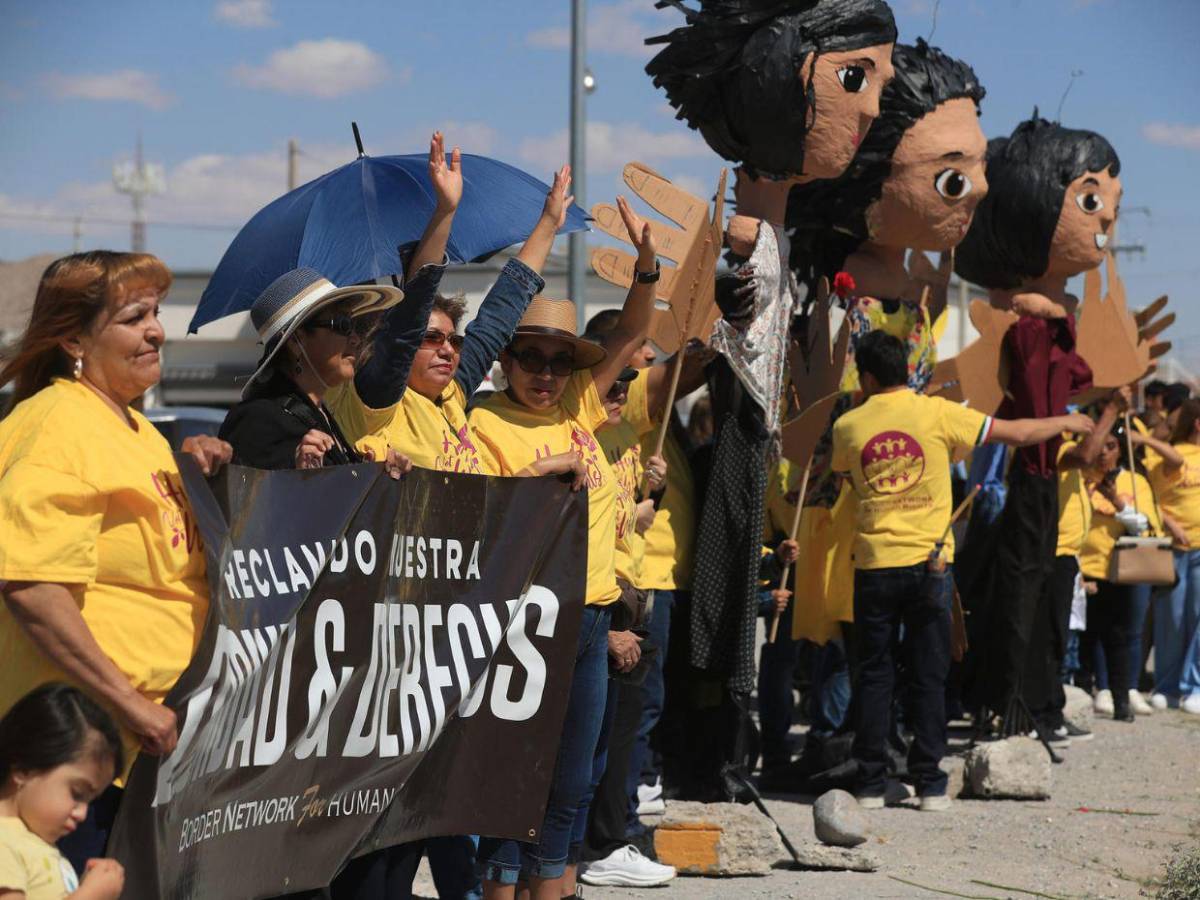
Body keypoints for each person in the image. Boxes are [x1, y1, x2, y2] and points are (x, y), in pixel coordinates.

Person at [0, 251, 231, 871]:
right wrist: (133, 708)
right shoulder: (55, 425)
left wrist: (200, 476)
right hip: (83, 755)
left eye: (156, 313)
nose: (157, 329)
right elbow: (32, 587)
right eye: (134, 317)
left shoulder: (138, 429)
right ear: (74, 337)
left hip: (151, 746)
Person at [469, 196, 657, 900]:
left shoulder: (581, 402)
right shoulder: (481, 419)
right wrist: (539, 474)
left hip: (589, 619)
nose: (544, 372)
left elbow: (635, 333)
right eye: (530, 357)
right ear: (507, 361)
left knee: (570, 788)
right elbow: (473, 514)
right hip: (522, 625)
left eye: (557, 360)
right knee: (508, 788)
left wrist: (644, 271)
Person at [831, 331, 1093, 810]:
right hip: (931, 565)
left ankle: (869, 785)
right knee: (930, 677)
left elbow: (846, 476)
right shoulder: (938, 413)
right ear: (906, 370)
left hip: (873, 565)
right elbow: (1017, 434)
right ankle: (930, 783)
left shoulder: (848, 425)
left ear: (866, 377)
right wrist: (1066, 419)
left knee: (874, 676)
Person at [954, 116, 1120, 731]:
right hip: (1024, 471)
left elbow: (1070, 382)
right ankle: (1007, 704)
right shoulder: (1026, 326)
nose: (1105, 221)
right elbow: (1034, 394)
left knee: (1037, 586)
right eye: (1090, 201)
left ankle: (1028, 699)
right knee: (1017, 585)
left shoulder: (1052, 324)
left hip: (1043, 474)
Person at [221, 132, 456, 476]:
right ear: (296, 343)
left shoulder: (320, 415)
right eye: (343, 326)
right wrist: (299, 467)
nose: (356, 338)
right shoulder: (260, 419)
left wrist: (375, 476)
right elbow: (251, 514)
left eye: (356, 327)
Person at [330, 162, 575, 473]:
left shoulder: (450, 396)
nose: (447, 349)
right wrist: (445, 211)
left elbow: (498, 318)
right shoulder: (381, 399)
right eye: (431, 338)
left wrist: (548, 225)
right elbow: (408, 320)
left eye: (454, 340)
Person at [1077, 421, 1169, 721]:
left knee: (1127, 633)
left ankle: (1125, 692)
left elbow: (1144, 525)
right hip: (1088, 567)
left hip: (1126, 569)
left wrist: (1118, 502)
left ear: (1120, 450)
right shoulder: (1081, 478)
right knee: (1092, 634)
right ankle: (1099, 688)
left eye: (1111, 446)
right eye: (1099, 446)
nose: (1104, 453)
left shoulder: (1135, 481)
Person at [0, 684, 125, 900]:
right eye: (77, 793)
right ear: (23, 768)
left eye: (90, 800)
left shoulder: (31, 841)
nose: (82, 814)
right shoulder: (4, 843)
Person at [1148, 398, 1200, 713]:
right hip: (1172, 549)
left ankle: (1194, 686)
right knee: (1172, 621)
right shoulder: (1168, 457)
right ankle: (1166, 686)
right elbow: (1149, 499)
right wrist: (1168, 521)